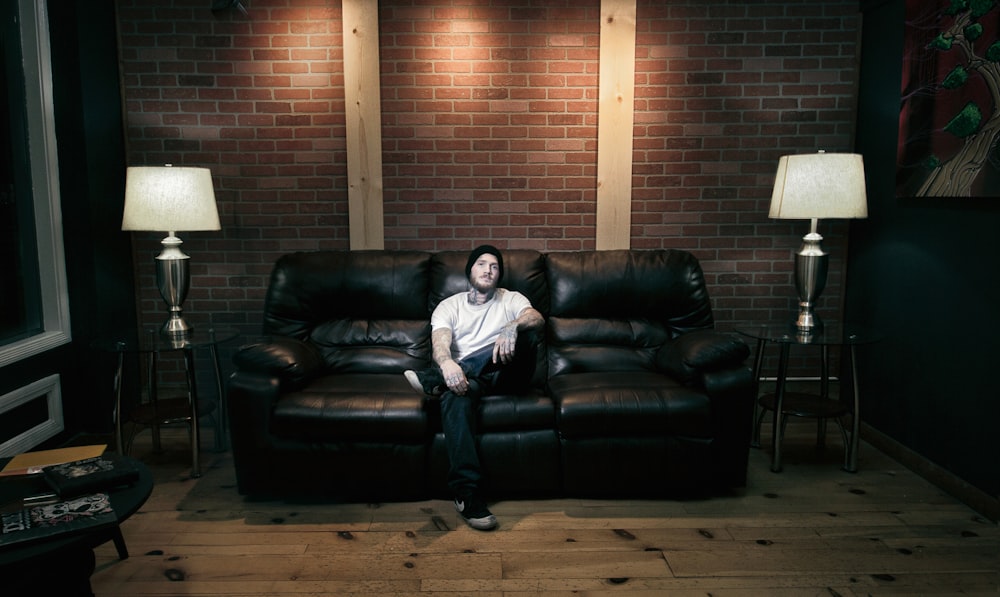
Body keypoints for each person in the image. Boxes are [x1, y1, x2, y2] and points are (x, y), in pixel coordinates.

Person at [404, 245, 544, 530]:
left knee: (526, 336)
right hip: (470, 380)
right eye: (481, 264)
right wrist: (446, 365)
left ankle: (434, 382)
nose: (488, 270)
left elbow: (537, 318)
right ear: (470, 270)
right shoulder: (449, 306)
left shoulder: (511, 298)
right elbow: (440, 345)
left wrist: (513, 326)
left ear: (499, 274)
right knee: (456, 397)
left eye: (494, 266)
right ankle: (467, 494)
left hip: (509, 374)